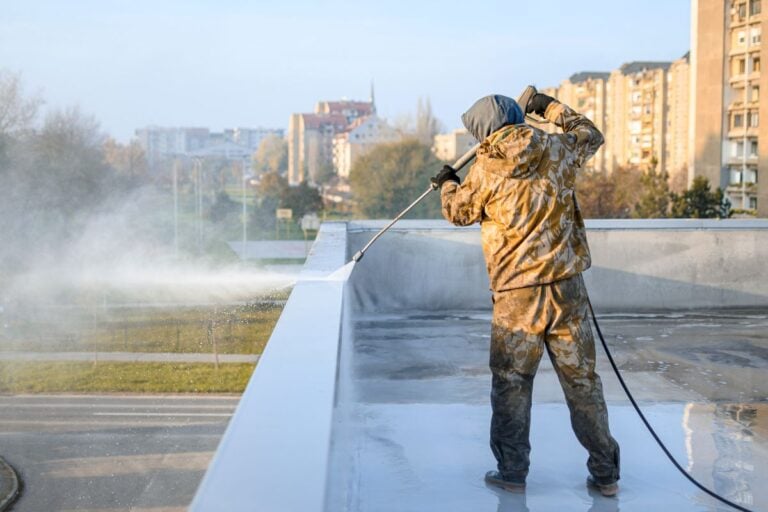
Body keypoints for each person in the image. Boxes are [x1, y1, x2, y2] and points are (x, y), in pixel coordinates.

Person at [431, 89, 620, 497]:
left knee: (512, 383)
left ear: (483, 133)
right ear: (520, 115)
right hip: (567, 291)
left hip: (517, 297)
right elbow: (591, 133)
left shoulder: (485, 169)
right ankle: (606, 474)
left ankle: (512, 472)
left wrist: (448, 184)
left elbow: (458, 213)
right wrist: (549, 108)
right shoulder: (558, 147)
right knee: (583, 382)